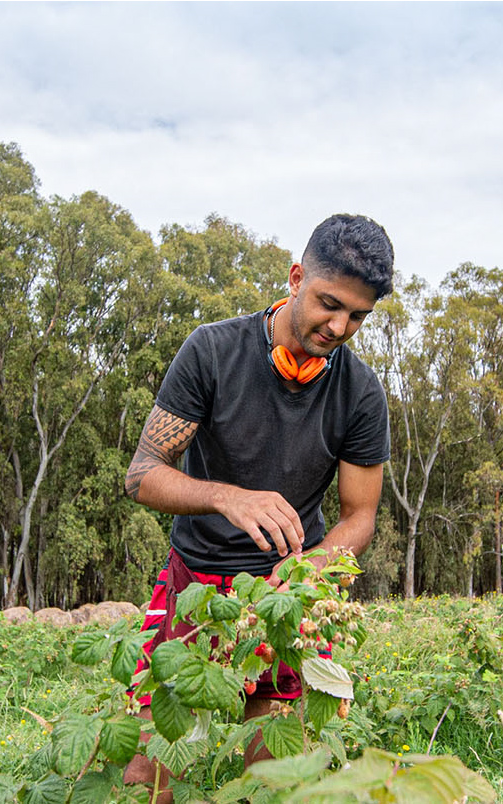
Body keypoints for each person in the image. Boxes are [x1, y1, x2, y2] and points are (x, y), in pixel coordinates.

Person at [121, 213, 394, 798]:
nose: (339, 326)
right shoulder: (213, 351)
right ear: (296, 277)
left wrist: (302, 574)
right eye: (329, 303)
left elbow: (359, 517)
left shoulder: (361, 393)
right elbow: (141, 475)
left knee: (277, 775)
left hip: (288, 595)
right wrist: (226, 496)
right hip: (194, 580)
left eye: (357, 316)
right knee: (147, 773)